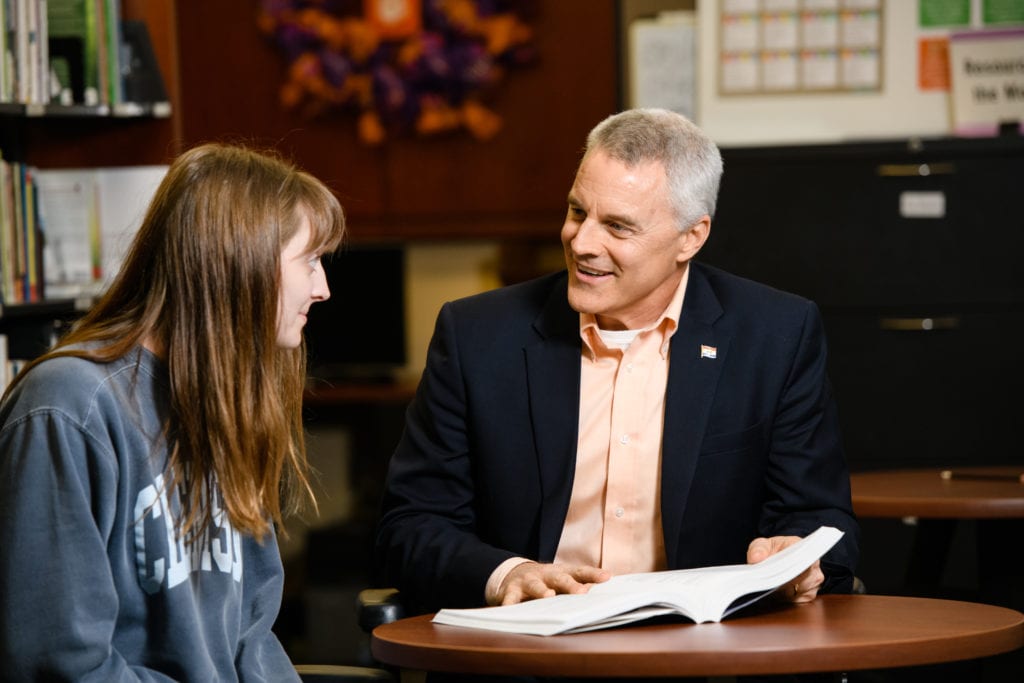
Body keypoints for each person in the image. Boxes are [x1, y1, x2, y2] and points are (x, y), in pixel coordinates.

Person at [375, 108, 859, 622]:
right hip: (527, 649)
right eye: (577, 211)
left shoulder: (774, 336)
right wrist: (506, 573)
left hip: (704, 652)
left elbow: (822, 519)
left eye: (617, 227)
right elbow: (409, 527)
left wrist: (799, 558)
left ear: (691, 237)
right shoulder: (477, 336)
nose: (582, 243)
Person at [0, 143, 345, 681]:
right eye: (309, 260)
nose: (322, 287)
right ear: (238, 260)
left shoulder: (224, 395)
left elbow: (252, 636)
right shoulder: (66, 408)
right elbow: (62, 664)